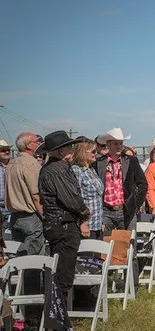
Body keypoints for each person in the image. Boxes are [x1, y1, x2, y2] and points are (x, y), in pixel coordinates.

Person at [38, 130, 91, 304]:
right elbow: (71, 199)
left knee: (60, 273)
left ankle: (57, 317)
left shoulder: (53, 168)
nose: (72, 149)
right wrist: (84, 211)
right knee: (63, 276)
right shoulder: (57, 170)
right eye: (69, 146)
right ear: (60, 151)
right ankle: (58, 319)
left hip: (58, 225)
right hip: (64, 227)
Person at [94, 128, 147, 232]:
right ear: (108, 145)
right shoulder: (98, 162)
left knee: (127, 243)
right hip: (105, 211)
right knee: (105, 243)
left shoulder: (131, 160)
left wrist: (135, 204)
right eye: (115, 143)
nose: (119, 146)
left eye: (121, 143)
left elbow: (143, 184)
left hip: (126, 210)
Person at [5, 133, 45, 255]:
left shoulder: (11, 163)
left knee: (19, 254)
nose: (39, 144)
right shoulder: (32, 163)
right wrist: (45, 216)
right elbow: (36, 195)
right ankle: (30, 275)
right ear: (28, 145)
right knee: (32, 259)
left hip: (15, 216)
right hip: (30, 216)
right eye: (37, 141)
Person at [71, 139, 104, 240]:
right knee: (87, 255)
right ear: (83, 152)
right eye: (93, 151)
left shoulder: (91, 169)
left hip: (97, 223)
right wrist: (82, 223)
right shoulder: (77, 170)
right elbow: (75, 199)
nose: (96, 154)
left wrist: (101, 222)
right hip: (87, 224)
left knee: (98, 255)